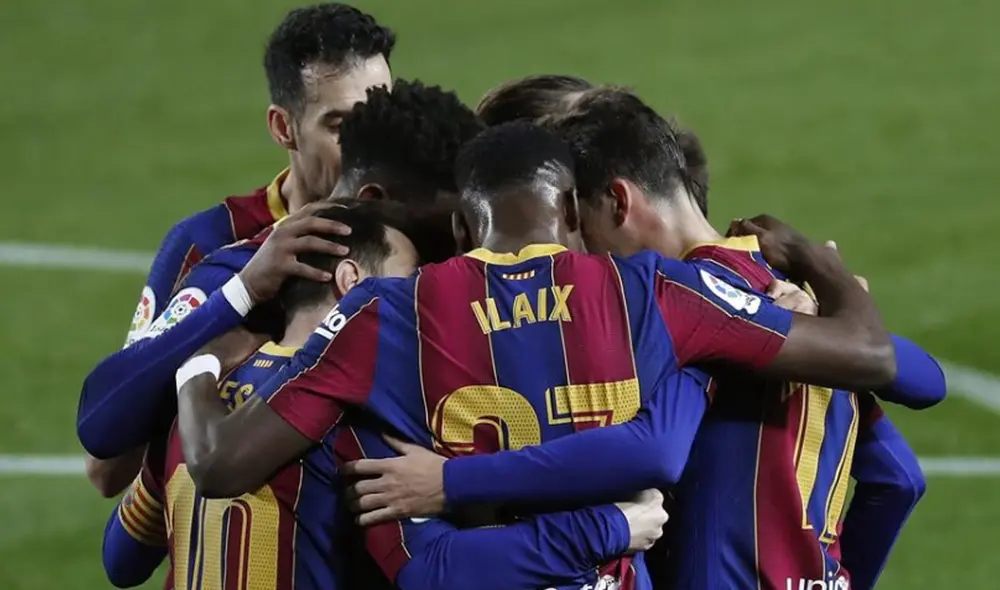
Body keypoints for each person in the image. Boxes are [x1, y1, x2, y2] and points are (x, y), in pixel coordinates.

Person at [172, 121, 904, 589]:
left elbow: (219, 465)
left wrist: (199, 366)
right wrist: (814, 262)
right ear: (570, 211)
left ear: (463, 225)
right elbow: (870, 356)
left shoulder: (384, 315)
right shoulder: (651, 293)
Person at [354, 95, 938, 589]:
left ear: (617, 202)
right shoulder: (799, 312)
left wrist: (448, 483)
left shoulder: (670, 322)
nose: (570, 257)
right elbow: (899, 475)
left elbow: (653, 448)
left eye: (574, 227)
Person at [82, 2, 396, 496]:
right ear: (283, 127)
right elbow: (107, 469)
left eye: (381, 118)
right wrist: (232, 310)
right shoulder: (211, 243)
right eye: (339, 126)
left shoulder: (412, 240)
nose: (369, 147)